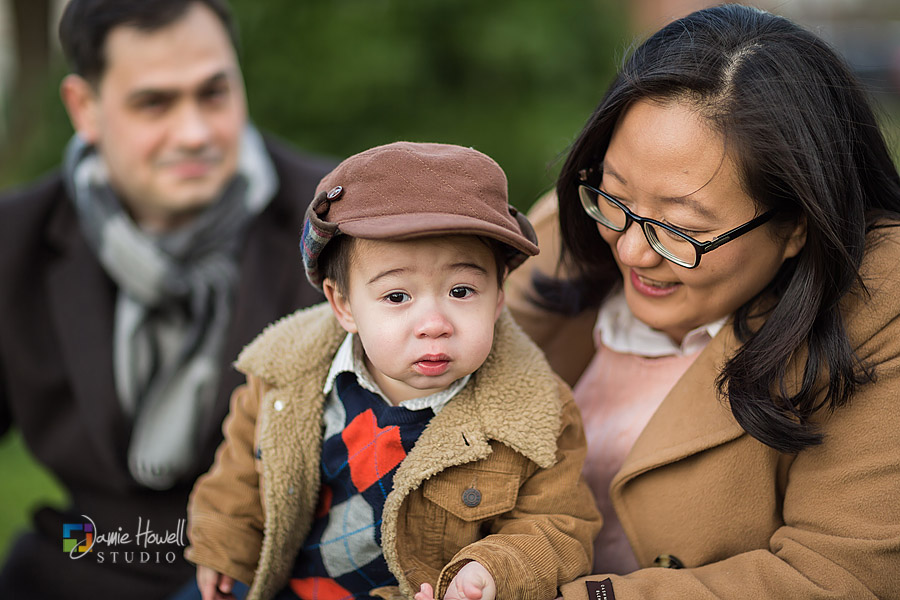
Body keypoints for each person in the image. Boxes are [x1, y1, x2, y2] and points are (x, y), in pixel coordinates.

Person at [505, 4, 900, 599]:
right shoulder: (576, 230)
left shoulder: (879, 304)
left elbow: (840, 577)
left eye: (682, 229)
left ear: (797, 226)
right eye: (616, 197)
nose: (635, 251)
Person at [0, 1, 334, 598]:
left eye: (214, 93)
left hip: (275, 576)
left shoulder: (339, 226)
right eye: (154, 102)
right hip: (81, 559)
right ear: (85, 108)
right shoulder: (14, 241)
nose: (195, 133)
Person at [185, 141, 601, 600]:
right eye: (397, 297)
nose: (434, 325)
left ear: (499, 297)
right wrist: (222, 543)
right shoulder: (285, 375)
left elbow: (559, 525)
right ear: (343, 305)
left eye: (461, 291)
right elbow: (241, 470)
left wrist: (493, 569)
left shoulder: (536, 415)